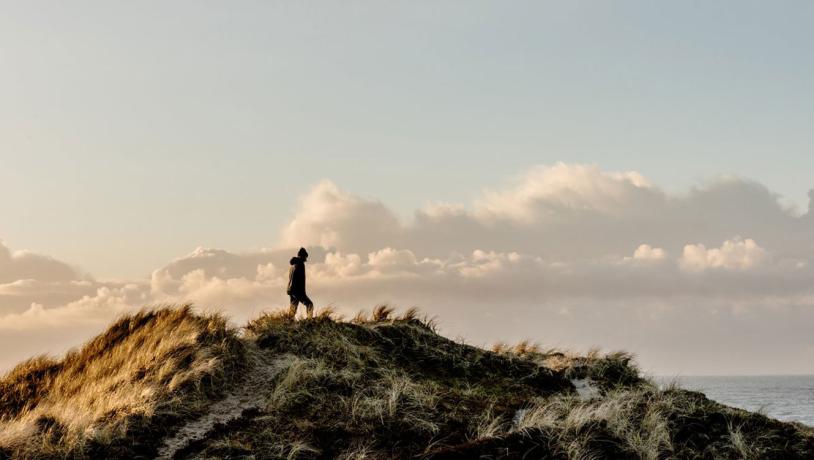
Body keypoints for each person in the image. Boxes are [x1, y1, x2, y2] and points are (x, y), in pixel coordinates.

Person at [287, 247, 314, 319]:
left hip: (291, 290)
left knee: (293, 307)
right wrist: (302, 293)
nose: (306, 260)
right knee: (309, 304)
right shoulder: (300, 264)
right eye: (305, 257)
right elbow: (300, 280)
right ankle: (310, 320)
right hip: (297, 291)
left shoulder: (292, 266)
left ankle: (289, 322)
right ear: (303, 256)